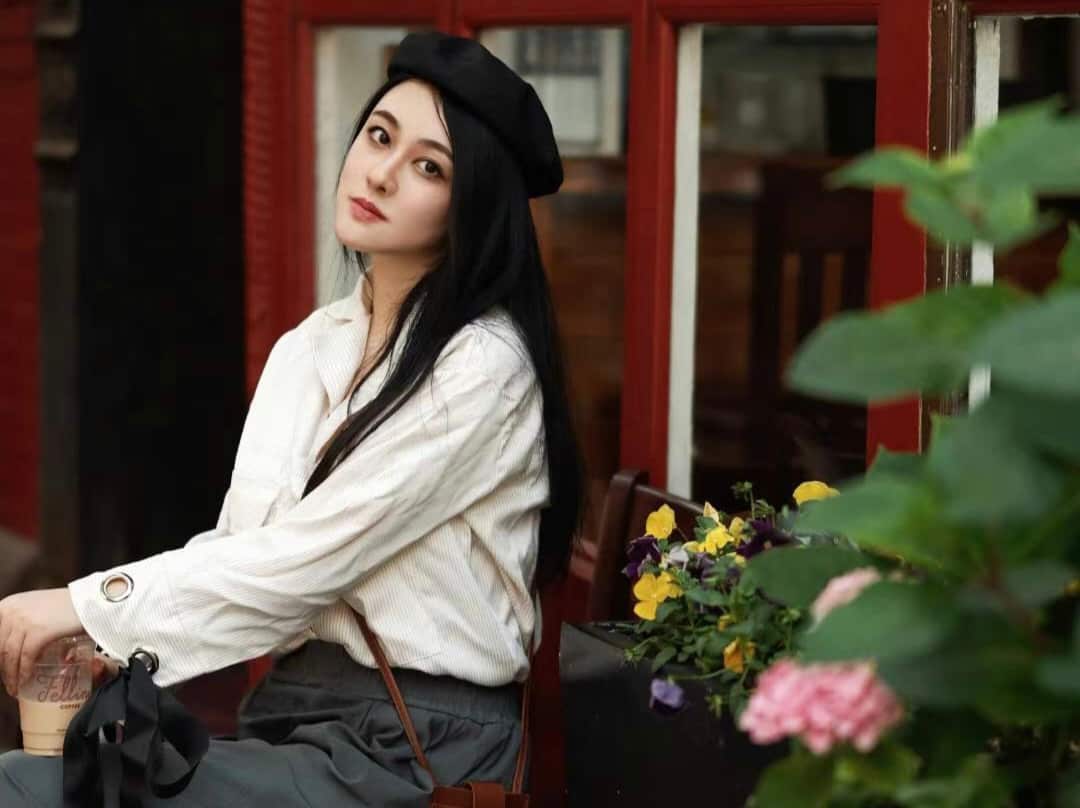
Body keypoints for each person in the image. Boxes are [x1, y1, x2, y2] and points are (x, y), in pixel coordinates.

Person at [0, 30, 584, 806]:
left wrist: (86, 604)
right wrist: (118, 641)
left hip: (420, 753)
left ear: (469, 208)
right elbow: (251, 549)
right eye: (380, 135)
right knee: (51, 774)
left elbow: (306, 562)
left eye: (428, 167)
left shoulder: (482, 366)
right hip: (299, 718)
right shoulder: (314, 345)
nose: (380, 171)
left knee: (31, 791)